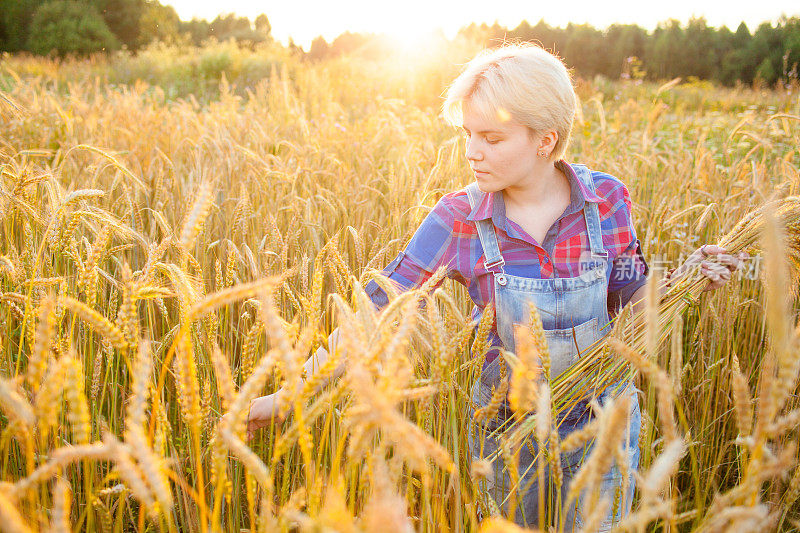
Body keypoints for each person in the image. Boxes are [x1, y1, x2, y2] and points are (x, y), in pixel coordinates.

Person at [245, 44, 745, 530]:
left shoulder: (605, 200)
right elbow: (375, 312)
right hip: (507, 435)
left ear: (544, 140)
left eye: (491, 138)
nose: (471, 152)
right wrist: (291, 394)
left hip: (603, 426)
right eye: (467, 134)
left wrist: (684, 281)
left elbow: (630, 295)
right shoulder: (459, 218)